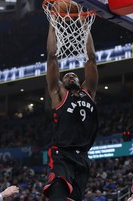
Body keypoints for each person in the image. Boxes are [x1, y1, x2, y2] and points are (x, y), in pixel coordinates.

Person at [42, 22, 99, 201]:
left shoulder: (88, 92)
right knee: (58, 194)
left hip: (82, 158)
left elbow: (91, 58)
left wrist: (86, 28)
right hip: (62, 155)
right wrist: (52, 25)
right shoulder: (59, 94)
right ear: (62, 83)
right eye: (67, 76)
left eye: (74, 74)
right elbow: (52, 57)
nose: (71, 75)